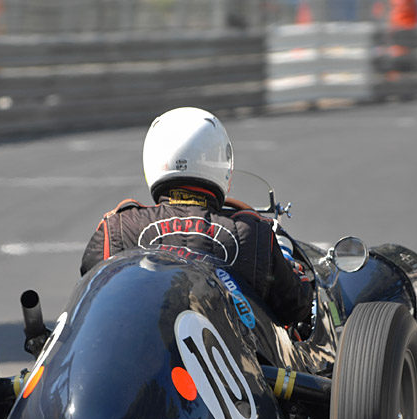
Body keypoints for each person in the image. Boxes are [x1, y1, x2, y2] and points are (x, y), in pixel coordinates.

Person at [80, 107, 314, 328]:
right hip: (230, 366)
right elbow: (295, 308)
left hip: (138, 362)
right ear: (223, 162)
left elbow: (87, 298)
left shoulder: (119, 227)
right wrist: (296, 268)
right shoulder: (253, 233)